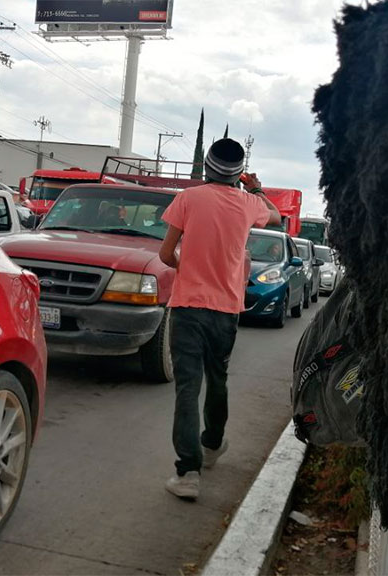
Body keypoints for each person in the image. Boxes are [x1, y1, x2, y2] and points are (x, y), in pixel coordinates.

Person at [157, 138, 281, 500]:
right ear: (238, 174)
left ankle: (188, 473)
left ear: (206, 168)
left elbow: (165, 254)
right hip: (226, 310)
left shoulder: (188, 198)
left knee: (187, 388)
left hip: (188, 306)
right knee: (218, 379)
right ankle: (212, 445)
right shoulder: (248, 204)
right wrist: (255, 187)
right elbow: (275, 215)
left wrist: (188, 267)